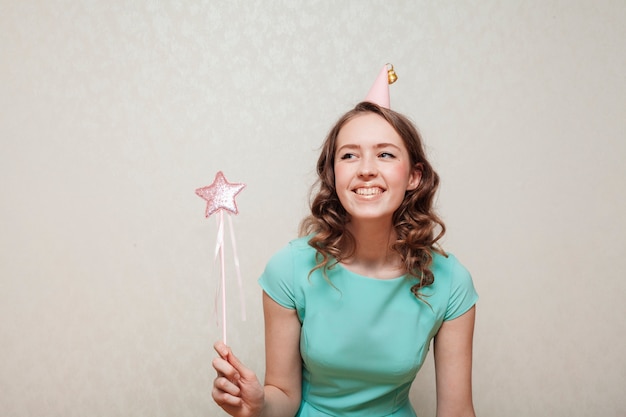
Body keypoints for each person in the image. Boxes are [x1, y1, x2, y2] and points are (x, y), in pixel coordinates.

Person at [211, 64, 478, 417]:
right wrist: (258, 405)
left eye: (385, 154)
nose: (366, 168)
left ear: (414, 175)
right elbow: (285, 396)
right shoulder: (288, 269)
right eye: (349, 155)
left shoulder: (451, 282)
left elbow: (457, 412)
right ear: (333, 174)